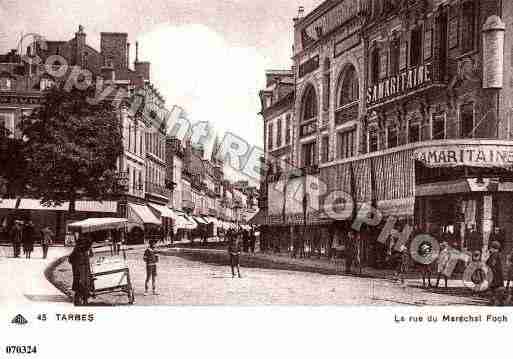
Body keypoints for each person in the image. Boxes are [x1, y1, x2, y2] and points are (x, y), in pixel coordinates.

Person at [68, 236, 93, 306]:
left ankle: (79, 299)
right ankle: (84, 300)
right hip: (84, 271)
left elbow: (70, 260)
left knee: (79, 284)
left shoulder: (77, 250)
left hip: (78, 271)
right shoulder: (85, 251)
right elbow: (91, 255)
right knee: (85, 284)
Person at [486, 241, 504, 305]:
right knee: (494, 288)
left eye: (491, 248)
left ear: (494, 248)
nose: (490, 249)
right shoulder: (496, 255)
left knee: (494, 288)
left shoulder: (495, 255)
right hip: (496, 275)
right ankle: (494, 300)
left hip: (495, 276)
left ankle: (493, 301)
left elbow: (492, 264)